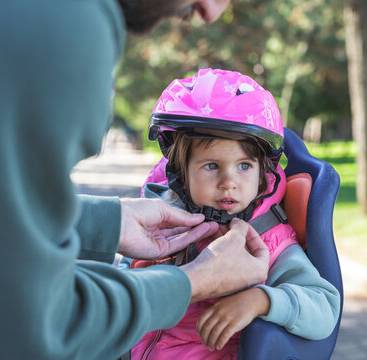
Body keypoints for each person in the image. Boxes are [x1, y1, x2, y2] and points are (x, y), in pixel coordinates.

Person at [0, 1, 271, 359]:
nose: (212, 11)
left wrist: (107, 223)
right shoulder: (60, 23)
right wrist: (192, 283)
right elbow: (27, 319)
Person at [122, 69, 341, 359]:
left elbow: (324, 307)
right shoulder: (162, 220)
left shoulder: (268, 241)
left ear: (263, 173)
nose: (229, 181)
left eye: (244, 166)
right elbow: (122, 276)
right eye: (211, 166)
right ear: (179, 172)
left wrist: (260, 300)